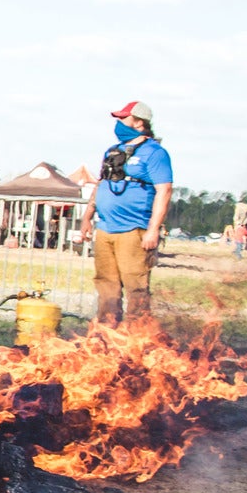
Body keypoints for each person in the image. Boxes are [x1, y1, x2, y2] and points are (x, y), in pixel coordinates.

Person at [81, 100, 173, 325]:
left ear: (139, 122)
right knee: (106, 286)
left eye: (123, 118)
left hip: (133, 231)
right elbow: (100, 184)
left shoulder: (155, 153)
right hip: (105, 230)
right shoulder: (112, 152)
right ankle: (107, 333)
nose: (118, 123)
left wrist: (153, 230)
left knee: (136, 288)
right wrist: (87, 217)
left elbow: (165, 190)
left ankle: (136, 337)